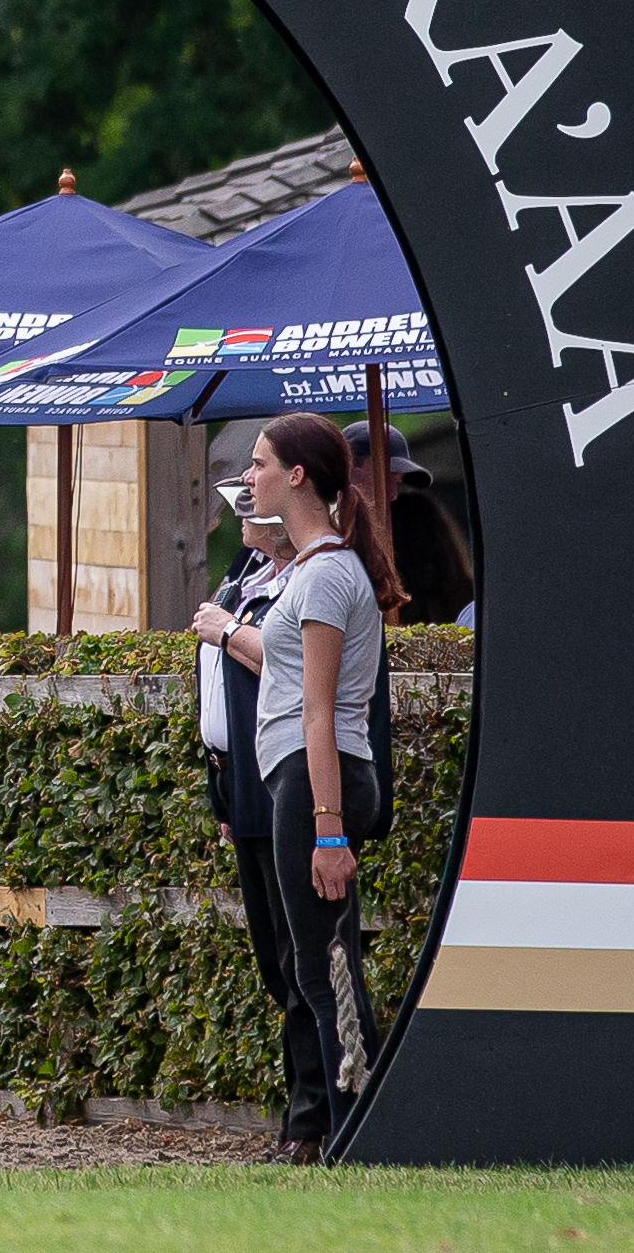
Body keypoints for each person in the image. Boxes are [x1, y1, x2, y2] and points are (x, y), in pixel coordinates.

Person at [191, 414, 400, 1156]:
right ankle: (350, 1130)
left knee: (325, 968)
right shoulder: (307, 570)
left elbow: (318, 713)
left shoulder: (329, 572)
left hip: (321, 780)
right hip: (298, 780)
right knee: (314, 968)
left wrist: (329, 827)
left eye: (258, 465)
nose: (249, 479)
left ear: (298, 477)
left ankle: (363, 1130)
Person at [192, 479, 321, 1149]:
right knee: (277, 964)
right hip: (242, 777)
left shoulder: (309, 578)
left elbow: (295, 664)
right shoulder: (244, 577)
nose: (240, 509)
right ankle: (305, 1112)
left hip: (281, 777)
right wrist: (220, 790)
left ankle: (313, 1118)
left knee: (302, 960)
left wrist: (228, 629)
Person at [349, 421, 474, 626]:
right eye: (386, 479)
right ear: (350, 468)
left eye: (397, 482)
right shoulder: (328, 554)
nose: (393, 494)